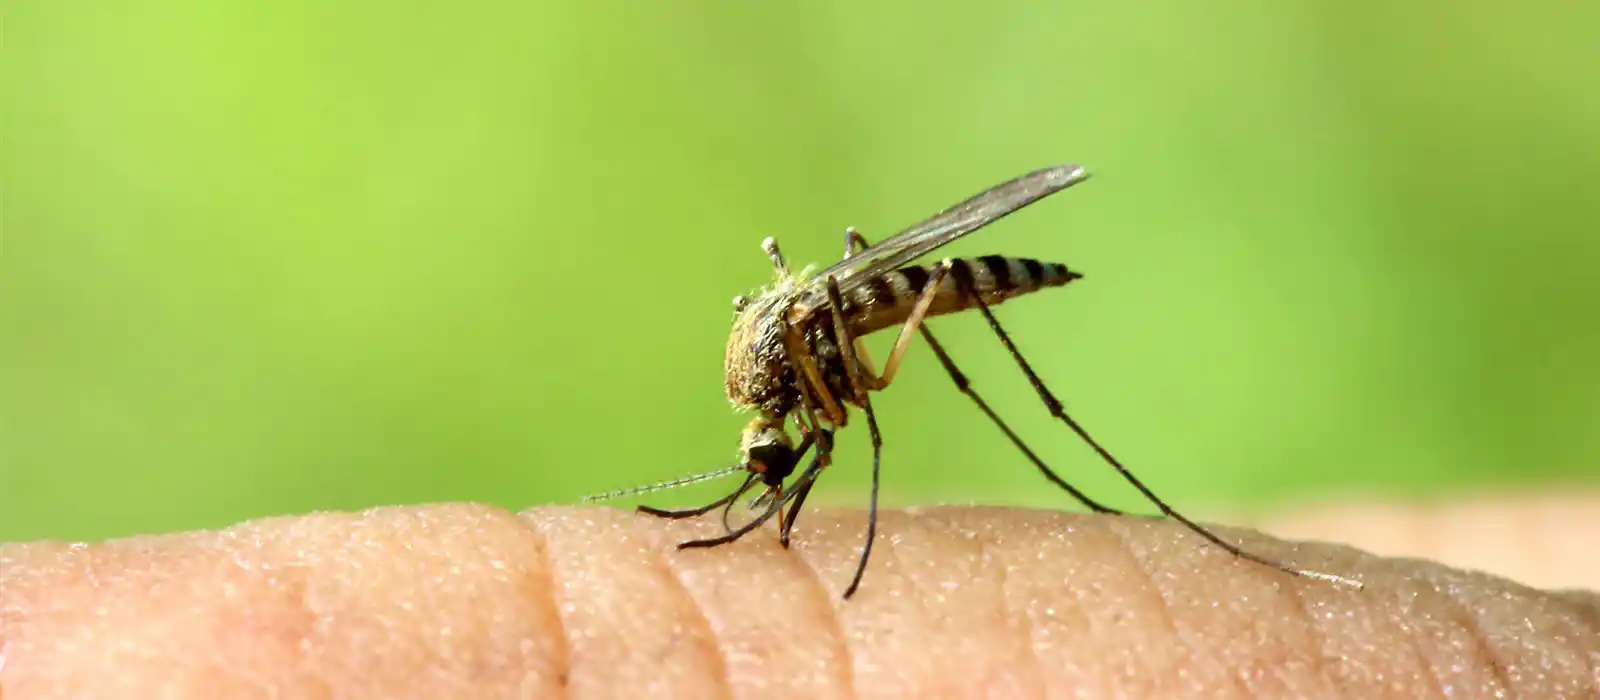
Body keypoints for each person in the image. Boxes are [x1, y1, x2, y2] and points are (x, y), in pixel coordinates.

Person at [2, 500, 1596, 698]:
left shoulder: (827, 374)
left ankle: (1080, 457)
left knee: (930, 329)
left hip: (871, 290)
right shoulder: (787, 396)